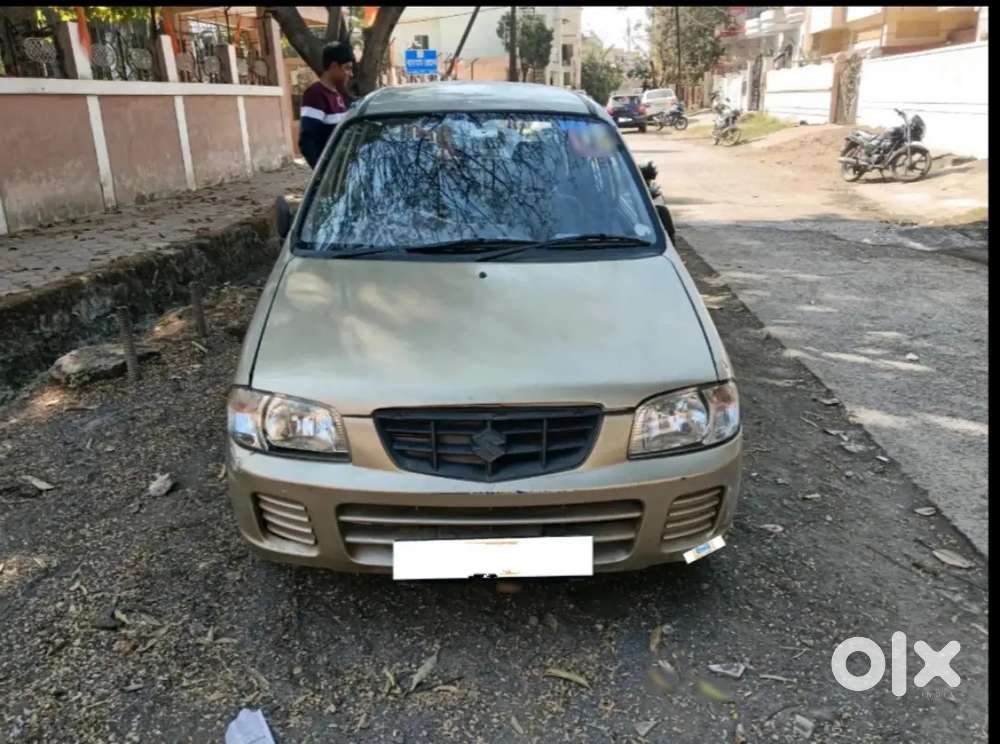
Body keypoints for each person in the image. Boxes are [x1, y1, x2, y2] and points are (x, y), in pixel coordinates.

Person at [298, 42, 355, 169]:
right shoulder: (315, 95)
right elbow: (306, 141)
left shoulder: (339, 94)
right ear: (334, 66)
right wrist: (322, 174)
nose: (351, 74)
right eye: (347, 68)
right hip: (331, 173)